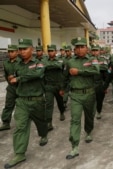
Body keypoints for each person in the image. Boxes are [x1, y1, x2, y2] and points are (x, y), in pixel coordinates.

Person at [4, 38, 48, 168]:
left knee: (41, 122)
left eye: (25, 49)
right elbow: (11, 76)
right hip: (22, 101)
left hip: (37, 100)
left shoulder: (39, 63)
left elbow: (37, 74)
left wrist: (18, 78)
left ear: (32, 49)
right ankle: (19, 153)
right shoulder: (17, 65)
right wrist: (11, 78)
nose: (22, 52)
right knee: (20, 127)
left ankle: (43, 134)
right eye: (20, 49)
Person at [64, 37, 100, 159]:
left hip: (89, 94)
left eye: (82, 47)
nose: (80, 50)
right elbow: (65, 77)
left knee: (89, 116)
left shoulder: (93, 60)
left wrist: (79, 71)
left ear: (87, 48)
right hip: (75, 95)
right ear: (74, 49)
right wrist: (63, 91)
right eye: (77, 47)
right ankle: (74, 146)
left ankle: (88, 132)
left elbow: (96, 71)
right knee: (75, 119)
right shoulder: (69, 62)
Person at [43, 44, 66, 131]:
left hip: (58, 85)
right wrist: (52, 65)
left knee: (60, 101)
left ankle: (62, 112)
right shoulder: (44, 60)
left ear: (55, 52)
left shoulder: (60, 59)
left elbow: (59, 66)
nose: (50, 52)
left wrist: (48, 66)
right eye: (49, 51)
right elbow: (43, 67)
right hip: (48, 86)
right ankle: (49, 122)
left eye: (52, 51)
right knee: (49, 104)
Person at [0, 45, 20, 131]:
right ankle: (6, 122)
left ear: (17, 52)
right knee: (8, 105)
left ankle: (22, 121)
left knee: (22, 105)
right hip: (11, 88)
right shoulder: (6, 63)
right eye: (9, 52)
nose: (10, 53)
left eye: (12, 51)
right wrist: (9, 82)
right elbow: (6, 74)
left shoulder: (21, 62)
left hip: (20, 87)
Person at [90, 44, 108, 119]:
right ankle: (92, 112)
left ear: (99, 51)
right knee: (91, 100)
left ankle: (99, 111)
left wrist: (105, 86)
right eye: (93, 50)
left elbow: (105, 68)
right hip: (90, 83)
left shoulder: (103, 59)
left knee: (99, 99)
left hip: (100, 83)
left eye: (96, 50)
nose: (95, 52)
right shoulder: (88, 59)